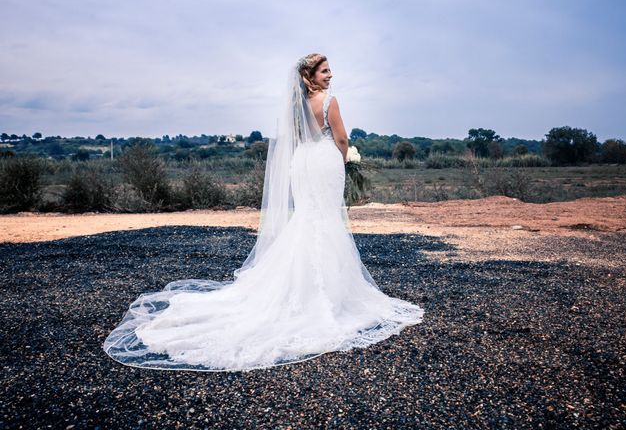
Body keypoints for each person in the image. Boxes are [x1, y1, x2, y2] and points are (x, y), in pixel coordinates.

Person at [103, 53, 424, 372]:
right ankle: (326, 295)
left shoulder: (294, 108)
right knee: (325, 220)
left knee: (308, 219)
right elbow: (341, 138)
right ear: (311, 76)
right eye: (325, 71)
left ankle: (302, 288)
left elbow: (296, 140)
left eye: (330, 71)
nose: (330, 75)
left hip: (302, 163)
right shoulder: (329, 102)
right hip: (325, 161)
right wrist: (344, 159)